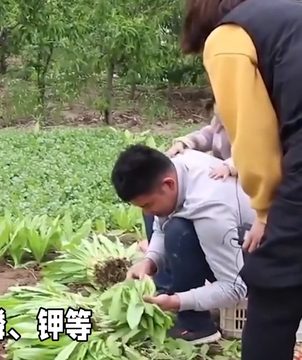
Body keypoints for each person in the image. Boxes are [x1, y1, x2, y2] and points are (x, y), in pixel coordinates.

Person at [181, 0, 302, 358]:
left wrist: (264, 213)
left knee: (272, 287)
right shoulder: (287, 17)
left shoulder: (229, 36)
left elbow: (254, 138)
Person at [111, 144, 251, 345]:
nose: (148, 211)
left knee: (179, 231)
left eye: (148, 203)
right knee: (159, 215)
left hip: (259, 260)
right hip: (226, 241)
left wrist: (178, 302)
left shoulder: (210, 209)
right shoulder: (176, 168)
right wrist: (150, 261)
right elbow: (160, 224)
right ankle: (169, 289)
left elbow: (235, 288)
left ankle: (196, 325)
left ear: (168, 185)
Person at [138, 102, 237, 294]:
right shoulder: (220, 123)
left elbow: (256, 156)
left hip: (236, 189)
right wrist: (185, 143)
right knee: (154, 212)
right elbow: (206, 135)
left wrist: (230, 166)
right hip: (217, 179)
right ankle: (163, 281)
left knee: (180, 228)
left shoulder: (250, 125)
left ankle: (186, 297)